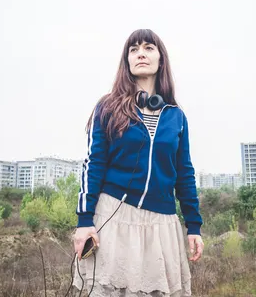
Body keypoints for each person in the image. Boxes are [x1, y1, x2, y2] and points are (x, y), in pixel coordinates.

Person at [72, 29, 204, 296]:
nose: (141, 53)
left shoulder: (176, 117)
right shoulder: (108, 107)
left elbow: (185, 173)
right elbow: (93, 163)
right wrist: (85, 220)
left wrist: (194, 225)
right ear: (127, 61)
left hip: (162, 225)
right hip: (114, 218)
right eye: (134, 49)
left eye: (148, 48)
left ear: (160, 60)